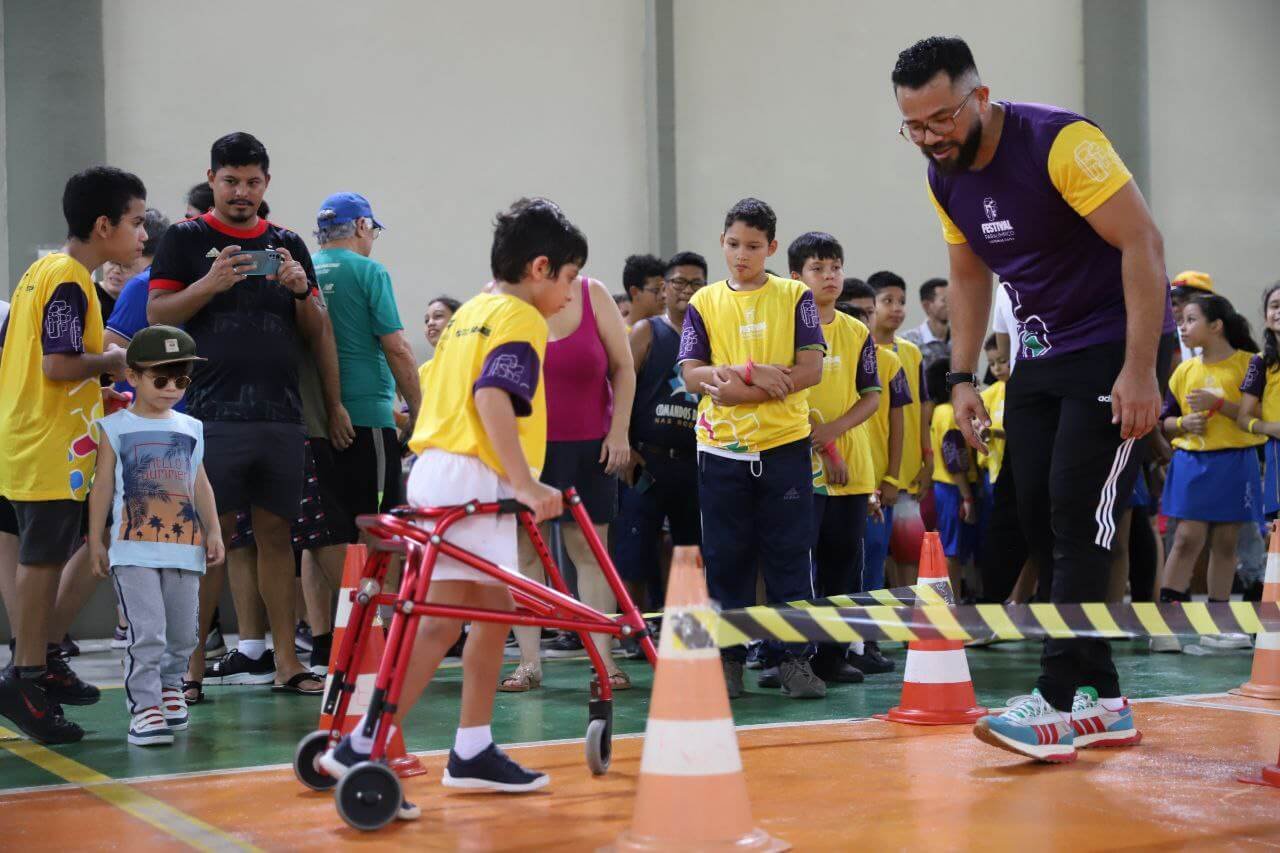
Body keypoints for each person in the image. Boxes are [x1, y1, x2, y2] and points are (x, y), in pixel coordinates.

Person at [894, 35, 1175, 762]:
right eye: (914, 126)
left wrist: (1141, 370)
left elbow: (1142, 243)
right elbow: (970, 277)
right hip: (1041, 353)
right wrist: (960, 379)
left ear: (979, 97)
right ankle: (1104, 698)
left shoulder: (1062, 144)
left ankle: (1052, 701)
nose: (930, 138)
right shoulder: (944, 177)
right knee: (1037, 518)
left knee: (1081, 514)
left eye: (941, 120)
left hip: (1116, 345)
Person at [320, 197, 589, 813]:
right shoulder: (520, 318)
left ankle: (469, 747)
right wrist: (524, 483)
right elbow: (495, 395)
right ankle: (368, 741)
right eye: (570, 279)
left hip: (437, 471)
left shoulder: (472, 313)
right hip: (473, 476)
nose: (572, 295)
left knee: (483, 610)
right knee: (448, 619)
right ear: (541, 267)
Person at [148, 132, 343, 696]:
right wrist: (210, 284)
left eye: (252, 182)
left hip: (279, 415)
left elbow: (316, 330)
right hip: (208, 413)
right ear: (212, 180)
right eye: (230, 181)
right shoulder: (185, 240)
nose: (241, 192)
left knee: (278, 536)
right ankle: (189, 669)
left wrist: (302, 289)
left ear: (266, 184)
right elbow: (157, 313)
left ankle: (288, 663)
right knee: (211, 537)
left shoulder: (287, 244)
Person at [0, 166, 145, 744]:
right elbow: (58, 366)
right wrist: (112, 364)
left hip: (39, 438)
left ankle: (36, 666)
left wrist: (101, 381)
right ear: (103, 224)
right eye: (135, 223)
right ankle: (26, 676)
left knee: (58, 554)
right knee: (39, 563)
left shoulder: (45, 272)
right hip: (48, 446)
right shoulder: (66, 277)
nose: (141, 236)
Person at [677, 197, 827, 700]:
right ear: (722, 242)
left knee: (789, 557)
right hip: (720, 452)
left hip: (784, 448)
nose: (742, 254)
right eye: (734, 244)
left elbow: (810, 370)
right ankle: (728, 662)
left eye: (754, 246)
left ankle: (794, 662)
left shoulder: (795, 297)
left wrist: (745, 391)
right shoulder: (703, 302)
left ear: (772, 248)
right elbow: (691, 373)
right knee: (726, 560)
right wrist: (749, 371)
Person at [503, 249, 634, 691]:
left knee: (590, 551)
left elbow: (624, 367)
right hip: (529, 450)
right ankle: (528, 663)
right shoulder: (509, 300)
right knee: (526, 553)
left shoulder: (592, 294)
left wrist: (619, 433)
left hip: (588, 446)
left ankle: (605, 661)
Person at [87, 326, 225, 745]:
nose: (171, 389)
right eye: (161, 379)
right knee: (147, 633)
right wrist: (97, 540)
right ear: (133, 377)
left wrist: (214, 529)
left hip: (185, 550)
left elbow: (199, 482)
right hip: (133, 551)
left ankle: (170, 686)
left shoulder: (191, 427)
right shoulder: (114, 427)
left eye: (181, 381)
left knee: (184, 633)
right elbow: (103, 486)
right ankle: (144, 706)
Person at [789, 232, 881, 684]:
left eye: (835, 267)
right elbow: (783, 398)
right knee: (795, 568)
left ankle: (831, 657)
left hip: (852, 472)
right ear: (795, 277)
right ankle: (790, 659)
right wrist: (823, 445)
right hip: (800, 468)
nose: (830, 277)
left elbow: (872, 398)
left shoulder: (858, 331)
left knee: (842, 566)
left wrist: (833, 435)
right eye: (818, 269)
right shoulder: (785, 328)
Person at [313, 192, 421, 552]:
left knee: (322, 538)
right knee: (380, 531)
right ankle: (375, 610)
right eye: (372, 229)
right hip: (366, 419)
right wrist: (418, 410)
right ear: (362, 225)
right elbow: (397, 347)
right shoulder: (369, 271)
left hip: (315, 420)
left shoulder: (304, 269)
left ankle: (327, 613)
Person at [1155, 294, 1262, 653]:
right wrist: (1184, 422)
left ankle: (1219, 626)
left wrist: (1219, 406)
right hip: (1192, 463)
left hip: (1236, 460)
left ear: (1216, 325)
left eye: (1190, 320)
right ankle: (1165, 625)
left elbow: (1255, 416)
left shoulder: (1250, 365)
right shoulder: (1184, 371)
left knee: (1226, 543)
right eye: (1181, 321)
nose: (1182, 327)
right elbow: (1163, 421)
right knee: (1186, 539)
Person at [611, 251, 707, 614]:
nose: (687, 289)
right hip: (645, 460)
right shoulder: (647, 330)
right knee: (634, 546)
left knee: (690, 549)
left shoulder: (709, 340)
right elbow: (619, 387)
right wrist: (622, 442)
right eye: (679, 282)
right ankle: (634, 629)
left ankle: (684, 623)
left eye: (696, 283)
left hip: (692, 463)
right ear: (664, 288)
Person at [868, 271, 930, 586]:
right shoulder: (859, 352)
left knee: (908, 551)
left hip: (906, 472)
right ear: (871, 307)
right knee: (874, 553)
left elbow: (922, 409)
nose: (897, 308)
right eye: (887, 301)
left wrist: (927, 457)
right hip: (870, 474)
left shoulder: (912, 353)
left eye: (901, 302)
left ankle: (909, 630)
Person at [926, 359, 980, 592]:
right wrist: (967, 497)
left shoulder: (939, 411)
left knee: (958, 549)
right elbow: (954, 459)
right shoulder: (949, 414)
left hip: (948, 488)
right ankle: (954, 602)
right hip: (954, 489)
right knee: (953, 550)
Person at [1239, 282, 1280, 521]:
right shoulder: (1260, 363)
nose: (1279, 311)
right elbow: (1243, 418)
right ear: (1266, 317)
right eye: (1274, 306)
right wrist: (1269, 428)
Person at [902, 277, 951, 370]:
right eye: (945, 300)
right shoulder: (907, 342)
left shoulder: (961, 341)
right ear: (927, 305)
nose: (952, 304)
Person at [1169, 271, 1215, 364]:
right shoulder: (1171, 336)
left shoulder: (1226, 335)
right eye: (1172, 303)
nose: (1174, 309)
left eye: (1182, 301)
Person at [621, 254, 667, 328]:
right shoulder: (618, 333)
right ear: (634, 291)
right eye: (656, 290)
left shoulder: (672, 331)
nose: (664, 295)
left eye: (664, 289)